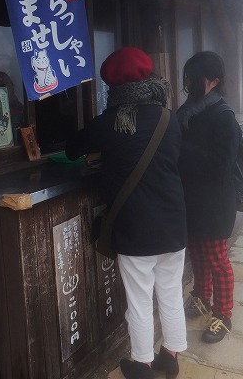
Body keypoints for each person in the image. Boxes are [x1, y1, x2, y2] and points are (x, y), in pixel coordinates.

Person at [66, 47, 187, 379]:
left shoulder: (109, 122)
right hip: (174, 222)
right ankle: (171, 356)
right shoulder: (169, 118)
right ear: (149, 78)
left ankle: (142, 363)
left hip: (135, 227)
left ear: (112, 86)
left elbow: (72, 148)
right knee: (171, 291)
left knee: (139, 299)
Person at [176, 51, 240, 344]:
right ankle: (201, 295)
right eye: (187, 76)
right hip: (192, 199)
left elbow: (221, 166)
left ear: (214, 81)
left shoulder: (223, 117)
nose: (188, 82)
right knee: (198, 251)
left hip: (215, 203)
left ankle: (223, 313)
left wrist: (182, 149)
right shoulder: (189, 109)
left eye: (194, 77)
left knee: (216, 258)